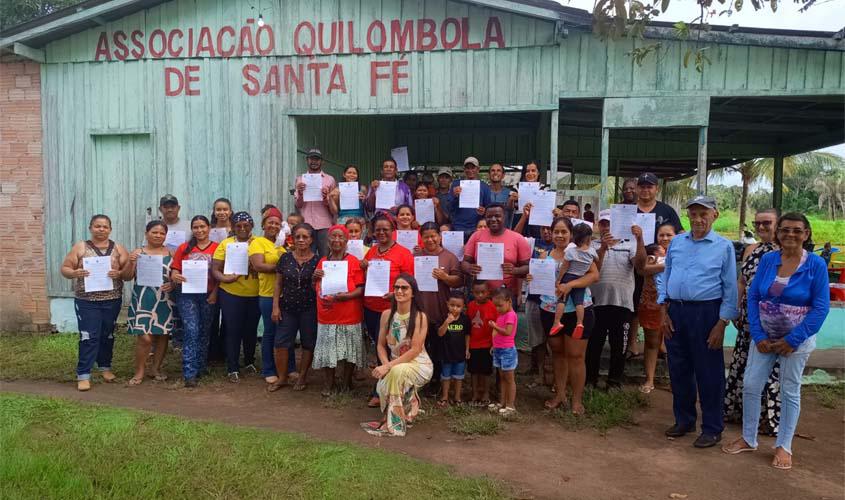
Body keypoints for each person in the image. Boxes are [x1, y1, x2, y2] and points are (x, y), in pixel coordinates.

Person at [722, 212, 829, 470]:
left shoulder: (815, 264)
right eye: (785, 229)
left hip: (796, 341)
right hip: (765, 338)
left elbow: (821, 307)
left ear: (806, 234)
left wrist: (793, 339)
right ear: (778, 233)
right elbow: (753, 297)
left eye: (797, 230)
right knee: (751, 384)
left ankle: (784, 446)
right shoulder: (769, 260)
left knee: (789, 389)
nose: (790, 234)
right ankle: (749, 438)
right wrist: (758, 335)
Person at [658, 195, 738, 448]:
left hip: (706, 313)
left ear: (715, 215)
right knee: (679, 369)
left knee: (709, 372)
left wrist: (722, 322)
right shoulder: (677, 242)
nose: (698, 219)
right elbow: (667, 274)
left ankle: (712, 428)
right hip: (676, 311)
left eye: (704, 214)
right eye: (693, 214)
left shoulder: (723, 246)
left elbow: (730, 287)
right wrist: (664, 310)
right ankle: (684, 420)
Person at [724, 208, 781, 433]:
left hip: (773, 320)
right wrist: (736, 308)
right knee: (744, 364)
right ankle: (739, 412)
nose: (761, 227)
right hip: (748, 319)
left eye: (767, 223)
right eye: (757, 223)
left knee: (769, 368)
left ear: (778, 224)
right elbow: (741, 281)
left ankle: (767, 418)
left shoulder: (784, 251)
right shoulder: (751, 249)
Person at [535, 217, 599, 414]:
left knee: (576, 356)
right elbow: (538, 279)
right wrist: (532, 277)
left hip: (577, 310)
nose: (560, 235)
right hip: (550, 309)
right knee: (558, 353)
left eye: (564, 232)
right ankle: (560, 395)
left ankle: (576, 400)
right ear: (551, 233)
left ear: (571, 234)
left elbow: (594, 276)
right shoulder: (544, 255)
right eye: (556, 231)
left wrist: (570, 285)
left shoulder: (580, 252)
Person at [60, 214, 128, 392]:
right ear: (90, 228)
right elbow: (65, 268)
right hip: (87, 301)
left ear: (110, 229)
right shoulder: (81, 247)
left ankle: (105, 367)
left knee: (107, 334)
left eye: (105, 226)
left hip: (112, 300)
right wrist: (75, 273)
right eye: (97, 226)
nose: (101, 229)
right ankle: (83, 374)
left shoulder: (118, 248)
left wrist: (119, 274)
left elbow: (128, 273)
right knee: (88, 336)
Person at [361, 274, 433, 437]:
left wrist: (388, 367)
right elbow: (380, 345)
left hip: (419, 365)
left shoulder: (420, 317)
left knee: (396, 373)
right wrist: (386, 365)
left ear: (413, 293)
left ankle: (393, 424)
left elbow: (415, 350)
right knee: (384, 384)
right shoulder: (386, 315)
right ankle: (409, 405)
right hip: (395, 365)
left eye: (404, 288)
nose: (399, 291)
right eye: (396, 287)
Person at [584, 212, 646, 389]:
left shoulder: (630, 244)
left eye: (610, 224)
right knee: (594, 345)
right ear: (598, 225)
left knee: (619, 346)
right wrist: (603, 248)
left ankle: (614, 383)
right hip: (596, 303)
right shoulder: (591, 245)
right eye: (603, 224)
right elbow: (593, 270)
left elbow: (640, 266)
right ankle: (590, 380)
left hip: (622, 303)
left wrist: (640, 239)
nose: (607, 227)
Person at [362, 214, 415, 407]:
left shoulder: (404, 253)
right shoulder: (371, 252)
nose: (382, 232)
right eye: (378, 229)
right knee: (379, 347)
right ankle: (384, 386)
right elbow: (365, 277)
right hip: (371, 307)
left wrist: (395, 294)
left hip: (392, 309)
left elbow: (410, 282)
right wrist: (363, 267)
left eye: (385, 229)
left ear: (393, 230)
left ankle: (386, 390)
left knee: (390, 348)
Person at [312, 224, 366, 396]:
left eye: (340, 236)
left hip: (349, 314)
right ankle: (329, 383)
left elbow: (361, 288)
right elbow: (316, 287)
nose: (337, 240)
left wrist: (347, 296)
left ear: (346, 240)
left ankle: (347, 382)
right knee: (328, 350)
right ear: (328, 240)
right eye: (333, 236)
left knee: (350, 351)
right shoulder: (323, 261)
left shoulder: (354, 262)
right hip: (328, 314)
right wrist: (314, 278)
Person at [170, 215, 219, 387]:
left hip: (208, 294)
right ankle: (189, 372)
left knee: (205, 331)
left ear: (209, 228)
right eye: (196, 227)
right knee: (191, 330)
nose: (199, 230)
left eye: (202, 227)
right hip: (187, 295)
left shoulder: (217, 248)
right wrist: (175, 275)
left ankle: (201, 366)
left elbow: (221, 273)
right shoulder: (184, 248)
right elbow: (174, 270)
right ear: (192, 229)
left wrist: (215, 293)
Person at [123, 220, 174, 385]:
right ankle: (139, 371)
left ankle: (155, 369)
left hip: (164, 299)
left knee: (162, 335)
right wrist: (131, 262)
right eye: (154, 232)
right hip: (142, 299)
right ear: (146, 234)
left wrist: (173, 284)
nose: (158, 235)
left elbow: (176, 276)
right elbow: (127, 277)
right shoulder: (138, 252)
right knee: (144, 338)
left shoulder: (171, 253)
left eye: (162, 233)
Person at [271, 223, 320, 392]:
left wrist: (316, 278)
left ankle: (302, 376)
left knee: (308, 342)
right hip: (287, 308)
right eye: (297, 236)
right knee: (281, 342)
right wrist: (275, 307)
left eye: (305, 237)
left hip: (309, 308)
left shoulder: (318, 260)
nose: (300, 240)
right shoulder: (285, 258)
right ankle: (282, 378)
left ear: (311, 239)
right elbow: (278, 284)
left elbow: (320, 286)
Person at [212, 211, 260, 383]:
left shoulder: (259, 243)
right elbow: (215, 269)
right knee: (233, 330)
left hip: (255, 294)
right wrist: (225, 279)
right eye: (238, 226)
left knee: (251, 330)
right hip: (231, 293)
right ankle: (232, 367)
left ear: (252, 226)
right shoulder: (226, 244)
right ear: (232, 227)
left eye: (246, 225)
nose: (242, 228)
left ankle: (249, 361)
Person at [414, 222, 463, 394]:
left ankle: (436, 380)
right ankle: (420, 378)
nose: (430, 240)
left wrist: (445, 277)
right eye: (426, 236)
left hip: (440, 309)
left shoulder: (449, 257)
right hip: (420, 310)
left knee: (437, 347)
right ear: (421, 238)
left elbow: (459, 281)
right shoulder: (416, 256)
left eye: (433, 236)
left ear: (440, 237)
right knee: (420, 346)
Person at [248, 207, 290, 388]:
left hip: (287, 295)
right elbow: (259, 266)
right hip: (267, 294)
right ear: (263, 225)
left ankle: (289, 368)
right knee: (270, 332)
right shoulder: (258, 242)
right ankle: (268, 369)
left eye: (277, 223)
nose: (273, 226)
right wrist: (284, 267)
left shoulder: (283, 244)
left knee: (286, 333)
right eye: (270, 222)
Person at [639, 223, 677, 393]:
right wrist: (667, 265)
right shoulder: (651, 254)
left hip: (675, 306)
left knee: (675, 344)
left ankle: (676, 381)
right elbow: (643, 270)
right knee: (651, 343)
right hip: (652, 304)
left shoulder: (682, 254)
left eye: (669, 235)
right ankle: (649, 380)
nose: (665, 238)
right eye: (661, 235)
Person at [461, 204, 531, 296]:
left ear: (504, 217)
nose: (493, 219)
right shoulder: (476, 236)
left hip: (506, 294)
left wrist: (515, 270)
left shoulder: (517, 238)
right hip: (481, 295)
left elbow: (528, 267)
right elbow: (464, 263)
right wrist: (469, 268)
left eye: (497, 216)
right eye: (489, 216)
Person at [556, 223, 601, 338]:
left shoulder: (570, 252)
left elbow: (564, 267)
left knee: (562, 300)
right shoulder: (592, 252)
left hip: (568, 277)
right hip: (580, 279)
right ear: (589, 238)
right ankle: (580, 323)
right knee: (579, 303)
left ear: (573, 237)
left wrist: (559, 280)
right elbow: (597, 260)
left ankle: (557, 322)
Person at [294, 148, 337, 256]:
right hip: (306, 224)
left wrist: (326, 197)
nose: (314, 162)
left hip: (325, 224)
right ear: (307, 160)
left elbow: (334, 207)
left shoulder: (330, 180)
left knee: (325, 256)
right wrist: (300, 193)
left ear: (322, 162)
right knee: (306, 256)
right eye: (311, 159)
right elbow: (298, 205)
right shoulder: (300, 179)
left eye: (317, 159)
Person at [436, 292, 471, 407]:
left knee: (458, 377)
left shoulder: (465, 319)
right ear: (447, 304)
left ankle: (457, 397)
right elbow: (440, 333)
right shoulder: (442, 318)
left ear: (463, 307)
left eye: (458, 306)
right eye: (452, 305)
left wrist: (467, 349)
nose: (455, 308)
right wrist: (447, 322)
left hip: (460, 354)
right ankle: (445, 397)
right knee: (445, 377)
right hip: (446, 354)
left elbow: (467, 335)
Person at [467, 280, 497, 405]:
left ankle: (485, 393)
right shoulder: (470, 305)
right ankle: (475, 393)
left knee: (486, 371)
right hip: (473, 344)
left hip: (487, 344)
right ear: (472, 292)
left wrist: (494, 344)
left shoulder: (493, 306)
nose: (480, 295)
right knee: (474, 371)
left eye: (483, 292)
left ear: (488, 292)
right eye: (477, 292)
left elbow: (496, 326)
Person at [489, 288, 518, 416]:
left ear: (509, 301)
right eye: (495, 306)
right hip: (499, 349)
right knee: (502, 377)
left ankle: (511, 406)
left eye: (500, 305)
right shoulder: (501, 314)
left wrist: (494, 326)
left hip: (507, 351)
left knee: (509, 378)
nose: (497, 308)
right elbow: (497, 334)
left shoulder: (511, 315)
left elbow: (508, 332)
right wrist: (494, 345)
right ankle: (502, 402)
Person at [446, 157, 492, 233]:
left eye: (473, 168)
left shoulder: (484, 186)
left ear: (478, 169)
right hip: (458, 226)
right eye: (467, 168)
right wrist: (454, 195)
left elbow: (489, 209)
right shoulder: (456, 184)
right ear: (464, 170)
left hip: (477, 227)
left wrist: (484, 211)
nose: (470, 170)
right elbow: (449, 207)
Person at [636, 172, 683, 242]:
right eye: (642, 187)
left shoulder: (668, 210)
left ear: (657, 189)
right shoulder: (628, 211)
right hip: (632, 248)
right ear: (637, 188)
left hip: (662, 249)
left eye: (649, 187)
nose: (645, 190)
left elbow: (680, 233)